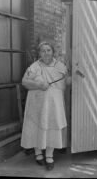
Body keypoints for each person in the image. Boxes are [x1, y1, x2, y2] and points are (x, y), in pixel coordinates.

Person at [21, 41, 71, 170]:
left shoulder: (60, 66)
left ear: (53, 52)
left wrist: (72, 77)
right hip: (36, 103)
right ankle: (38, 153)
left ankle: (49, 155)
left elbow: (67, 82)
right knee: (36, 126)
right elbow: (24, 82)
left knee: (52, 127)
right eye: (43, 50)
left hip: (54, 104)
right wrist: (39, 85)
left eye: (48, 50)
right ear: (39, 53)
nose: (46, 53)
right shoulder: (35, 66)